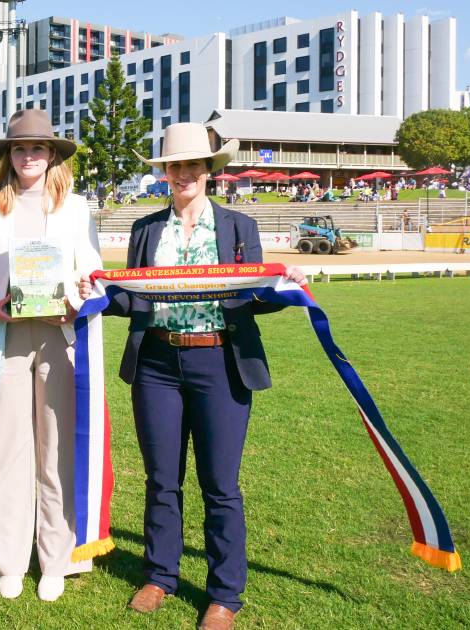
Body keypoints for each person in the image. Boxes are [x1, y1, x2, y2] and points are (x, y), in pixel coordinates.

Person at [78, 123, 304, 630]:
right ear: (164, 174)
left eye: (192, 166)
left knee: (220, 484)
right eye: (174, 166)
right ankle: (160, 576)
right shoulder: (145, 230)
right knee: (162, 481)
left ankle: (225, 593)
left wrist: (284, 286)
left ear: (209, 172)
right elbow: (130, 299)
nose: (183, 174)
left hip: (220, 363)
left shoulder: (238, 228)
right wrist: (93, 289)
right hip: (157, 364)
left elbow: (253, 298)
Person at [0, 108, 102, 602]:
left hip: (60, 338)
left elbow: (92, 269)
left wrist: (80, 292)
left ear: (52, 155)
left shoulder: (77, 208)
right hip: (7, 340)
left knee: (57, 449)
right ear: (9, 156)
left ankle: (56, 558)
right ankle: (8, 556)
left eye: (37, 148)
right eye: (20, 149)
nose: (28, 157)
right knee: (4, 450)